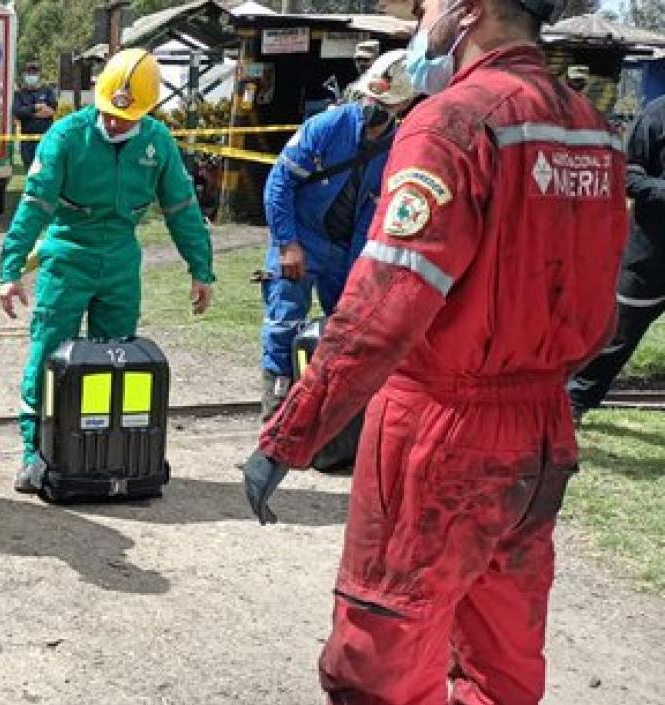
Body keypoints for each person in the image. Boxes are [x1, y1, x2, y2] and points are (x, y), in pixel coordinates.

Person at [239, 0, 628, 700]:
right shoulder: (592, 131)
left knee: (382, 656)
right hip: (540, 434)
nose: (421, 20)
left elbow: (383, 309)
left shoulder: (453, 123)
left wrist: (289, 435)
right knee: (500, 661)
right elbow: (602, 304)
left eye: (426, 6)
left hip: (438, 433)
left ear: (467, 11)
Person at [0, 49, 215, 491]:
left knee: (116, 360)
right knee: (48, 355)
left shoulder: (158, 143)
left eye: (126, 117)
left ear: (147, 110)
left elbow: (182, 208)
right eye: (110, 113)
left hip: (120, 262)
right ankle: (34, 453)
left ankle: (103, 451)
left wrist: (201, 268)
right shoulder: (66, 136)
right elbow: (34, 204)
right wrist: (11, 268)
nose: (115, 122)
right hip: (67, 258)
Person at [258, 49, 417, 419]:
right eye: (372, 99)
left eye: (385, 104)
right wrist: (287, 244)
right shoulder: (327, 127)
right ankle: (276, 408)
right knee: (284, 322)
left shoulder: (397, 147)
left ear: (403, 104)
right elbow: (279, 184)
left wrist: (362, 264)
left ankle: (333, 414)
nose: (374, 109)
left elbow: (375, 209)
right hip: (302, 238)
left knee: (348, 328)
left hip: (346, 250)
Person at [569, 95, 665, 425]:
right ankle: (572, 402)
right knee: (614, 336)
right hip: (650, 258)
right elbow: (626, 175)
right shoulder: (657, 115)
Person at [12, 61, 58, 172]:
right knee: (30, 169)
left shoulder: (47, 91)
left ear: (39, 75)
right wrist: (37, 107)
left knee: (46, 168)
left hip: (45, 138)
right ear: (24, 75)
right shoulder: (19, 94)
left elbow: (51, 111)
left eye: (34, 73)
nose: (31, 76)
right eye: (29, 73)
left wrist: (29, 113)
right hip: (27, 140)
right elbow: (18, 112)